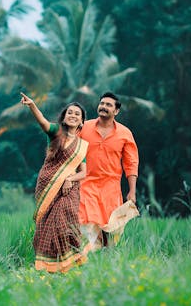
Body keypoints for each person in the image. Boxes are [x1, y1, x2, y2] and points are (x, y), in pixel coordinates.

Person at [20, 92, 89, 273]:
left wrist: (69, 178)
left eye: (77, 114)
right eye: (70, 113)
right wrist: (33, 105)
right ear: (64, 118)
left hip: (69, 188)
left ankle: (68, 264)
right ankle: (49, 266)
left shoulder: (82, 146)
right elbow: (42, 121)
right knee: (46, 225)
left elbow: (84, 173)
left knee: (66, 221)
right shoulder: (55, 133)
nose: (73, 115)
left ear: (81, 122)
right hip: (48, 184)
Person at [79, 91, 139, 251]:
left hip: (111, 187)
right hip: (86, 183)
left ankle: (106, 257)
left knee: (110, 228)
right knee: (89, 221)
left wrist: (132, 191)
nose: (103, 107)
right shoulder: (84, 127)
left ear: (116, 111)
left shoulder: (125, 134)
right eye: (102, 103)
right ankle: (85, 256)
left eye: (108, 105)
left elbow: (131, 163)